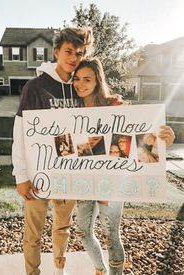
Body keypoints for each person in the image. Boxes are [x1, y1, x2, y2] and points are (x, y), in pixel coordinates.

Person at [72, 57, 175, 275]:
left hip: (112, 179)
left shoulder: (114, 106)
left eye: (87, 79)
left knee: (111, 234)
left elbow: (138, 139)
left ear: (98, 82)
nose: (80, 84)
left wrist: (162, 141)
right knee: (82, 231)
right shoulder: (71, 109)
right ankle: (100, 269)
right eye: (77, 78)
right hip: (84, 179)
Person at [12, 27, 93, 275]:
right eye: (69, 51)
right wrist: (21, 175)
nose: (73, 58)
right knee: (33, 233)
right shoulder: (35, 87)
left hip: (68, 172)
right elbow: (19, 133)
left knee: (62, 227)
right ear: (56, 51)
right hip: (38, 172)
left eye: (79, 53)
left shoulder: (81, 87)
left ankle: (59, 270)